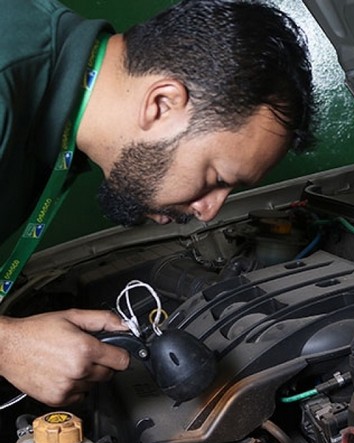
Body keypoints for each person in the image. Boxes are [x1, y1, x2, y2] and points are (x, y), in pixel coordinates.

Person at [0, 0, 315, 406]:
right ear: (162, 103)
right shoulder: (7, 82)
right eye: (216, 179)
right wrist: (8, 345)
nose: (209, 211)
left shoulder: (64, 102)